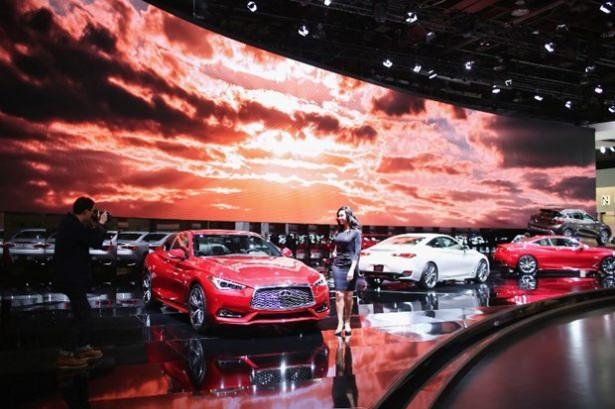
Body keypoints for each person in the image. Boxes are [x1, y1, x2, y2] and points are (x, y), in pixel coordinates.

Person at [54, 197, 108, 369]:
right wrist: (101, 224)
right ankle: (66, 355)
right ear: (85, 211)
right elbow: (95, 241)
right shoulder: (72, 226)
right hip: (71, 277)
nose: (94, 214)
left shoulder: (73, 224)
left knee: (83, 312)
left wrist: (94, 226)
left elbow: (88, 238)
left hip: (73, 276)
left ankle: (82, 347)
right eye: (93, 211)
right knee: (82, 314)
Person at [331, 206, 361, 336]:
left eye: (342, 215)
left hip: (350, 266)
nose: (339, 218)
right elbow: (337, 244)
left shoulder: (356, 233)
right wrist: (334, 251)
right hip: (337, 265)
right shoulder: (339, 232)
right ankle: (340, 323)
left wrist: (352, 270)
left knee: (348, 296)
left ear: (348, 216)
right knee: (339, 294)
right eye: (338, 215)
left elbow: (357, 252)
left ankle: (347, 322)